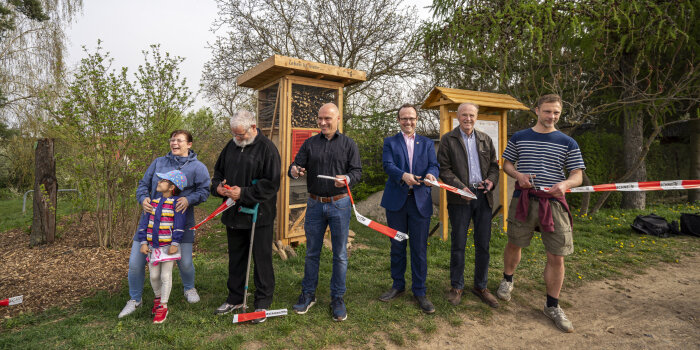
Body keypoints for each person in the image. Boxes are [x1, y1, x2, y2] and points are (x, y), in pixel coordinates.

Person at [496, 94, 585, 333]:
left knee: (557, 255)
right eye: (547, 111)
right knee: (515, 243)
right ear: (537, 110)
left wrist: (566, 185)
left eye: (556, 112)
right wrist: (518, 176)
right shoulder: (520, 137)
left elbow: (578, 174)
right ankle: (507, 280)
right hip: (523, 200)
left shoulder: (568, 142)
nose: (552, 116)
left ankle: (552, 305)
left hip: (554, 204)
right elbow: (506, 164)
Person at [119, 130, 210, 319]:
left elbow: (204, 191)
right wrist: (143, 198)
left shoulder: (198, 167)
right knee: (135, 264)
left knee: (185, 263)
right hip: (151, 223)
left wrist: (188, 199)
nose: (174, 143)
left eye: (179, 140)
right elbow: (143, 184)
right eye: (172, 140)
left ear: (189, 144)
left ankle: (189, 288)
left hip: (180, 223)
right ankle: (135, 299)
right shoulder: (158, 162)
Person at [289, 103, 362, 322]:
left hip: (340, 203)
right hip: (314, 204)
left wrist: (347, 179)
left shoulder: (349, 144)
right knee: (312, 252)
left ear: (338, 119)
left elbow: (357, 172)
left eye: (327, 119)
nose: (322, 122)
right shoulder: (310, 143)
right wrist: (294, 170)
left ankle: (337, 298)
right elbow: (295, 167)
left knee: (339, 254)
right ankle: (308, 294)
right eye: (320, 118)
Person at [211, 110, 281, 324]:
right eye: (234, 134)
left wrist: (244, 194)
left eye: (240, 134)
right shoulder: (231, 145)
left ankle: (262, 301)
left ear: (253, 127)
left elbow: (271, 184)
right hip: (233, 214)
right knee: (236, 257)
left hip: (259, 215)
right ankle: (235, 297)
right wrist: (219, 188)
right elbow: (218, 172)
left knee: (261, 259)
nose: (237, 138)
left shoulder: (267, 149)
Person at [378, 103, 439, 313]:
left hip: (420, 202)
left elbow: (434, 165)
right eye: (404, 118)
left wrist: (432, 175)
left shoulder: (427, 143)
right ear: (398, 120)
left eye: (411, 118)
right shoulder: (390, 142)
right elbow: (387, 165)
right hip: (396, 202)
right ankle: (398, 285)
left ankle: (420, 291)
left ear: (417, 119)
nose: (408, 122)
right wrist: (403, 176)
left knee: (419, 249)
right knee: (397, 246)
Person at [437, 102, 500, 308]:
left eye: (471, 115)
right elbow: (444, 170)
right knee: (459, 244)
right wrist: (460, 188)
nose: (468, 119)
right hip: (459, 198)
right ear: (458, 117)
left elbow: (494, 166)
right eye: (464, 115)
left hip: (482, 196)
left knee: (483, 244)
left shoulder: (485, 139)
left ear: (476, 116)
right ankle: (457, 286)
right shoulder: (448, 140)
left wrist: (491, 181)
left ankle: (481, 286)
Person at [136, 170, 188, 324]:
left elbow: (179, 225)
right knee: (153, 276)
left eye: (163, 181)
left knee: (165, 276)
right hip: (153, 247)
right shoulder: (153, 202)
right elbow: (145, 223)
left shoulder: (177, 203)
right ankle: (158, 298)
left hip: (169, 247)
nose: (158, 182)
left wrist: (175, 243)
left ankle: (163, 306)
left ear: (172, 187)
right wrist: (144, 242)